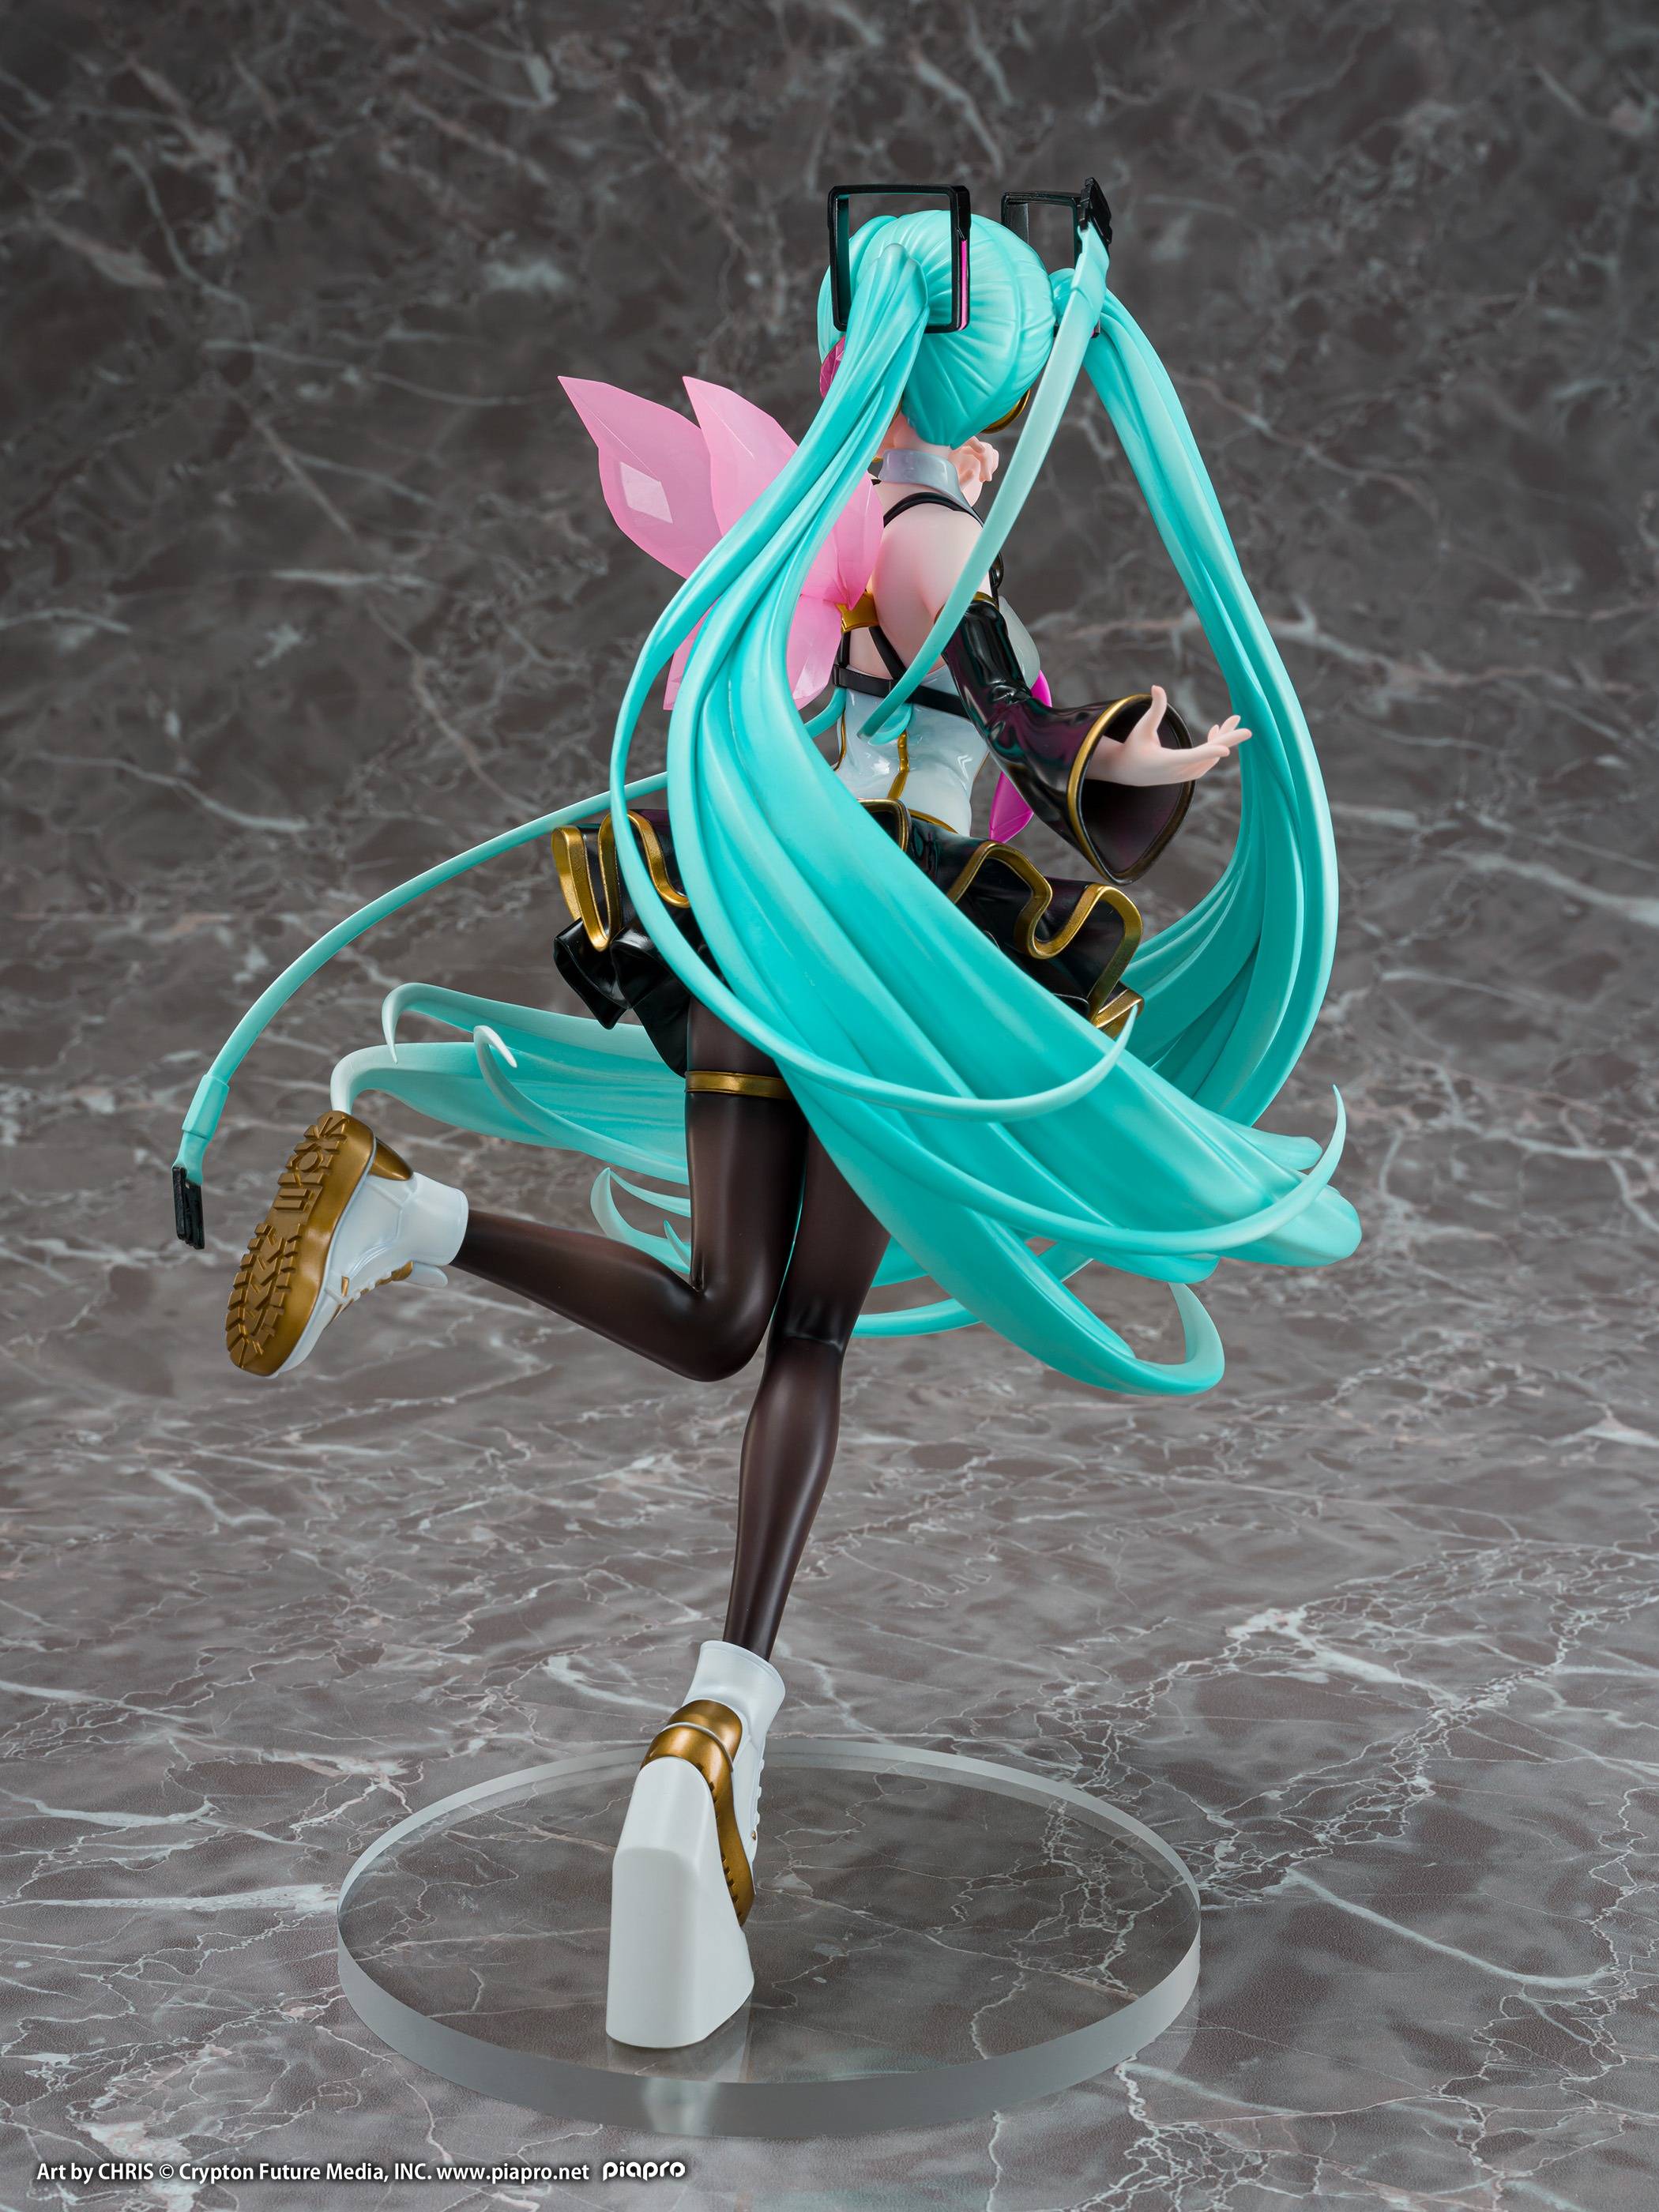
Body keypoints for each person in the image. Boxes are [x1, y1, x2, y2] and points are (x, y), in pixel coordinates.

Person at [178, 182, 1359, 2048]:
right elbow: (1033, 749)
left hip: (764, 933)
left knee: (726, 1309)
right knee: (797, 1327)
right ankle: (716, 1724)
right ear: (971, 402)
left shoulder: (801, 523)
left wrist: (1095, 755)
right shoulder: (928, 525)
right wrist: (1131, 753)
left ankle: (407, 1220)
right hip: (889, 959)